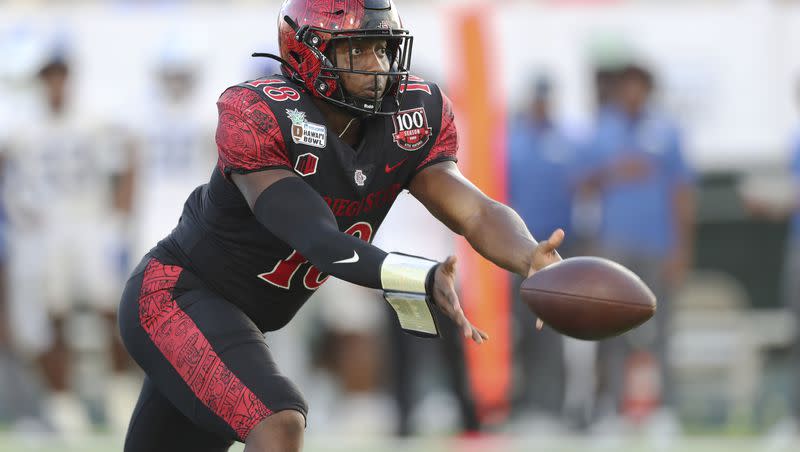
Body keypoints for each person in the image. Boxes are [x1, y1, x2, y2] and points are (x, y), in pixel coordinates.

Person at [118, 1, 564, 451]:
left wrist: (529, 255)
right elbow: (318, 238)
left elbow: (476, 211)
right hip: (175, 297)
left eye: (384, 49)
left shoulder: (411, 115)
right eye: (359, 50)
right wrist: (418, 277)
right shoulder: (262, 113)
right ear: (309, 54)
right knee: (277, 419)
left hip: (238, 318)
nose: (379, 65)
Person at [578, 64, 694, 429]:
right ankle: (612, 409)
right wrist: (614, 171)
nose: (632, 93)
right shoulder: (602, 129)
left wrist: (681, 247)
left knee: (663, 330)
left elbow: (682, 192)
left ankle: (665, 411)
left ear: (647, 89)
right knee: (612, 328)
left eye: (638, 86)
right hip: (615, 245)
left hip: (657, 244)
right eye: (626, 85)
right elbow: (581, 184)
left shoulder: (666, 130)